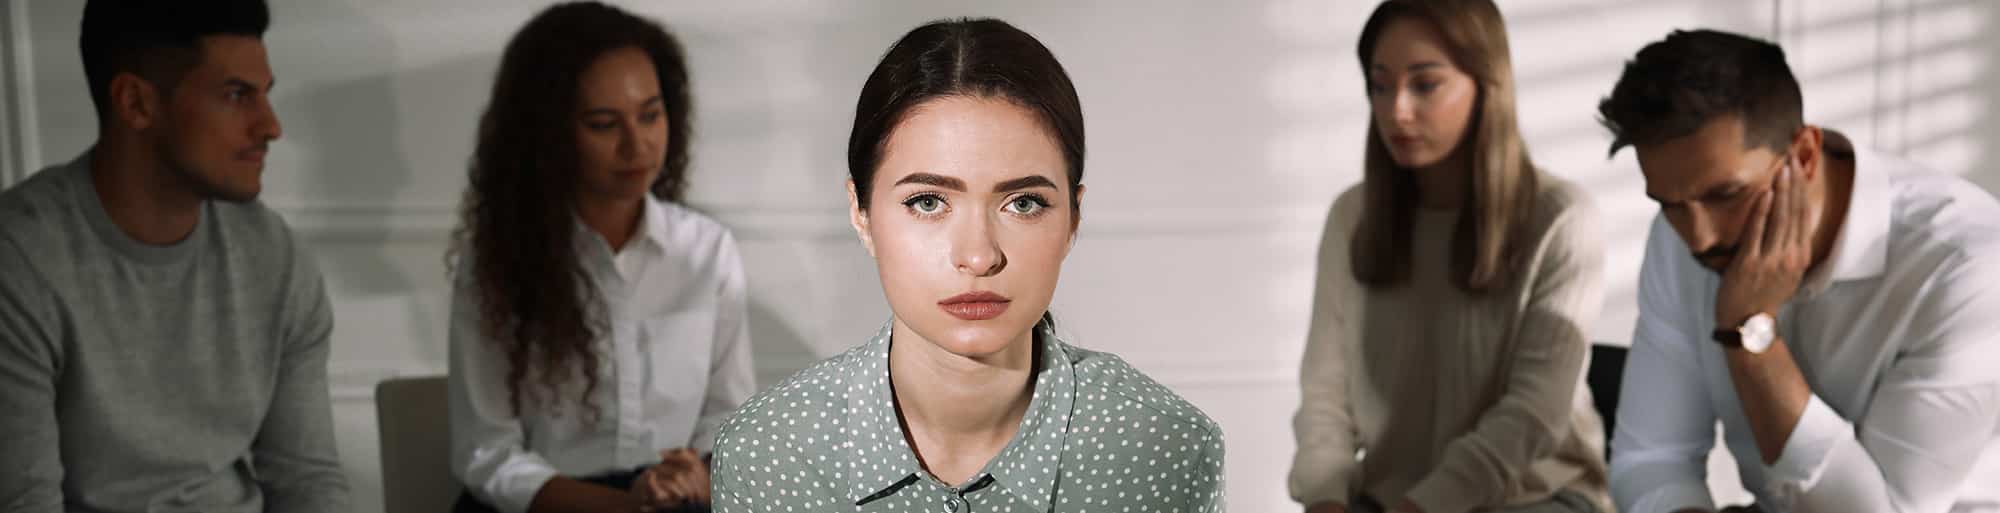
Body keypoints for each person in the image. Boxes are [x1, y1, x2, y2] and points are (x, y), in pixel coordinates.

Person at [707, 17, 1225, 512]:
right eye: (928, 202)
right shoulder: (769, 450)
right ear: (860, 214)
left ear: (1073, 218)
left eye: (1023, 203)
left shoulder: (1164, 446)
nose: (978, 256)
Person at [1599, 29, 2000, 513]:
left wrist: (1751, 337)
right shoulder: (1681, 236)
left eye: (1726, 195)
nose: (1698, 237)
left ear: (1805, 154)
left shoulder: (1964, 267)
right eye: (1669, 204)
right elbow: (1651, 459)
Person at [0, 1, 350, 512]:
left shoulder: (277, 258)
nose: (271, 126)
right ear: (136, 103)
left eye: (265, 96)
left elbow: (307, 481)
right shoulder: (21, 260)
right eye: (236, 95)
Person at [1287, 2, 1612, 513]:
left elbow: (1532, 415)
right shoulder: (1352, 216)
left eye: (1425, 85)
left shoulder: (1561, 218)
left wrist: (1421, 507)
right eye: (1380, 85)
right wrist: (1326, 499)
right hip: (1391, 499)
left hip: (1535, 497)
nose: (1397, 110)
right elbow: (1325, 396)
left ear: (1486, 85)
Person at [445, 3, 753, 513]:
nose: (637, 145)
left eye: (651, 115)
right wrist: (621, 507)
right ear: (548, 134)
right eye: (603, 124)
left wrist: (693, 470)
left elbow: (727, 413)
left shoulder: (707, 251)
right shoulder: (496, 260)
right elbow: (487, 453)